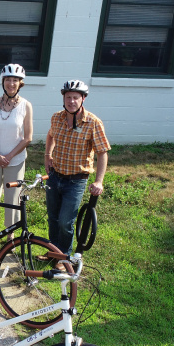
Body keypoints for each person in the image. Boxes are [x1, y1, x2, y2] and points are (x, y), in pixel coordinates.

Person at [44, 79, 110, 255]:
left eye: (75, 97)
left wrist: (99, 181)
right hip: (55, 175)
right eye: (68, 97)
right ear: (63, 98)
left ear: (83, 99)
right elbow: (50, 136)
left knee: (65, 222)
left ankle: (64, 258)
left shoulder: (93, 123)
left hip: (76, 180)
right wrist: (47, 156)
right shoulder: (57, 118)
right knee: (53, 218)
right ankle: (53, 252)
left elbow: (102, 152)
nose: (71, 101)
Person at [0, 63, 33, 239]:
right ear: (3, 81)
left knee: (12, 196)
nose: (11, 83)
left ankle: (10, 231)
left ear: (20, 83)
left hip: (16, 159)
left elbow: (27, 137)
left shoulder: (26, 106)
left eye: (15, 80)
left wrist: (9, 156)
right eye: (8, 80)